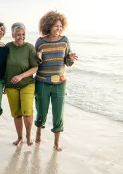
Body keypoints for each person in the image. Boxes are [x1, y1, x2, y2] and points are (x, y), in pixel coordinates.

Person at [34, 11, 78, 151]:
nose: (58, 29)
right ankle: (38, 134)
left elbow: (67, 62)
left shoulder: (64, 40)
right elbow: (34, 63)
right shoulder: (40, 41)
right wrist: (38, 57)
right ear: (48, 26)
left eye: (60, 26)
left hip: (60, 83)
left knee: (58, 113)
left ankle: (56, 143)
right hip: (42, 83)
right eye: (55, 26)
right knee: (42, 111)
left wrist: (70, 58)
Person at [4, 22, 38, 146]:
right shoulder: (7, 47)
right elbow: (2, 66)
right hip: (10, 86)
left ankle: (29, 137)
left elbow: (35, 67)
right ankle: (19, 138)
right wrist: (3, 83)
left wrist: (21, 76)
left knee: (27, 112)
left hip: (27, 84)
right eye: (18, 34)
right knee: (16, 113)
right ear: (12, 35)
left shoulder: (29, 48)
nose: (21, 37)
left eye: (23, 34)